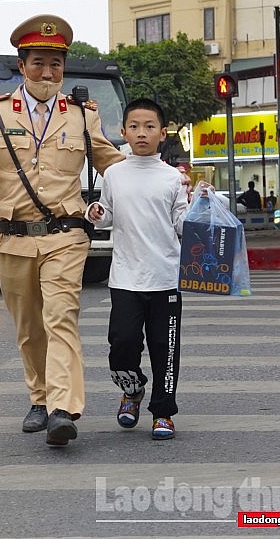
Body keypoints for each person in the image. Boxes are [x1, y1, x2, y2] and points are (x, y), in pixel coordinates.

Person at [0, 14, 125, 448]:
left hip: (65, 236)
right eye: (38, 63)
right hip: (13, 237)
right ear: (22, 66)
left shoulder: (81, 116)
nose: (48, 73)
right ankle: (39, 397)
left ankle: (63, 409)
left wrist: (163, 178)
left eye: (56, 64)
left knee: (61, 319)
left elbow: (113, 162)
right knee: (29, 327)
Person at [87, 98, 190, 440]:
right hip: (126, 278)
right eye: (134, 126)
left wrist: (200, 204)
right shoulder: (114, 174)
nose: (141, 133)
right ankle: (132, 390)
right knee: (122, 343)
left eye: (149, 127)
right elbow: (109, 213)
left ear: (163, 133)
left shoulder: (173, 178)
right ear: (123, 132)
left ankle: (163, 412)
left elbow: (181, 224)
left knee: (165, 347)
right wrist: (97, 213)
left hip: (165, 278)